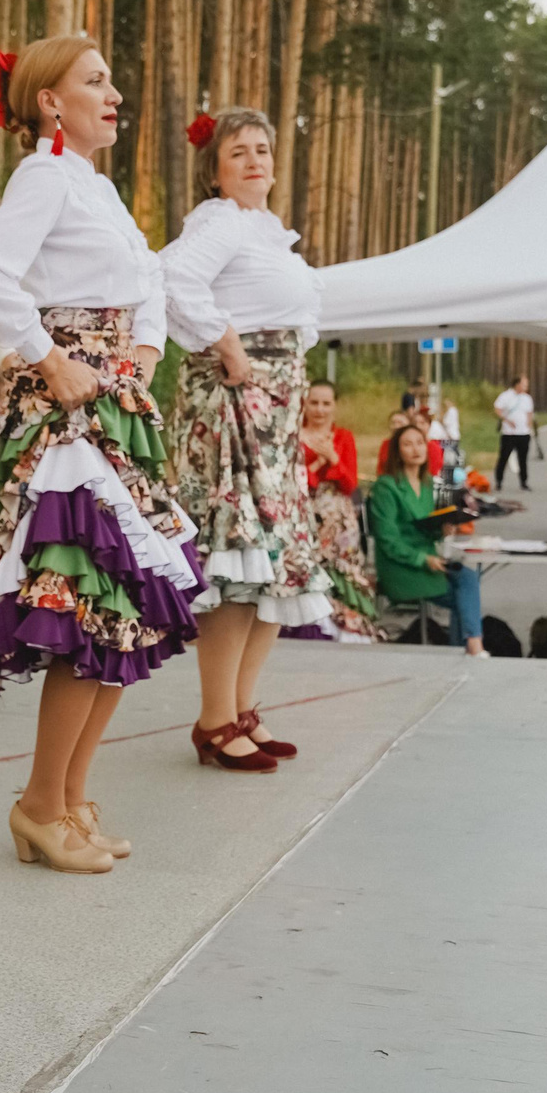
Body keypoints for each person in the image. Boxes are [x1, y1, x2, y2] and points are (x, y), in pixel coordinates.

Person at [0, 33, 199, 870]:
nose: (115, 93)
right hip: (72, 419)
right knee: (86, 607)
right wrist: (47, 356)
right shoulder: (46, 176)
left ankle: (67, 799)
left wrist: (149, 347)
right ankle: (39, 804)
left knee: (121, 612)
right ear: (51, 102)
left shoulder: (94, 186)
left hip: (117, 406)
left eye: (112, 79)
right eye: (96, 80)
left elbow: (150, 280)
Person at [163, 106, 328, 772]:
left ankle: (240, 709)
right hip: (236, 406)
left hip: (275, 414)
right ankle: (214, 719)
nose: (255, 159)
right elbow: (172, 278)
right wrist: (225, 341)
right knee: (238, 566)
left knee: (274, 569)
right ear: (215, 171)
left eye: (262, 148)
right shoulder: (220, 221)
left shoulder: (266, 231)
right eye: (239, 152)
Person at [364, 424, 486, 654]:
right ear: (397, 451)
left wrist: (441, 530)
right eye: (407, 444)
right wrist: (422, 559)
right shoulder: (385, 487)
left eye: (420, 443)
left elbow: (422, 528)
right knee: (464, 594)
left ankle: (471, 644)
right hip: (401, 565)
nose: (415, 449)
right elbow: (388, 539)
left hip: (429, 559)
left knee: (468, 578)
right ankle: (471, 646)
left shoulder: (428, 483)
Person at [297, 380, 380, 641]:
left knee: (342, 567)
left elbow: (350, 484)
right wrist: (316, 465)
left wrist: (333, 459)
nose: (320, 410)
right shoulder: (294, 435)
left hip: (338, 519)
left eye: (326, 403)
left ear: (334, 406)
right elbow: (292, 480)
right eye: (314, 403)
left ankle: (346, 627)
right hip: (305, 512)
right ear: (304, 403)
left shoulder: (343, 437)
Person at [492, 374, 534, 490]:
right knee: (504, 457)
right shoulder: (506, 396)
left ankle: (524, 481)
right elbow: (497, 409)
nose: (526, 387)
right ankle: (499, 481)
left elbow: (529, 413)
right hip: (509, 433)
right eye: (524, 384)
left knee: (523, 459)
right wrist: (506, 420)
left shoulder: (527, 398)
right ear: (517, 384)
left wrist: (529, 426)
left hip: (523, 433)